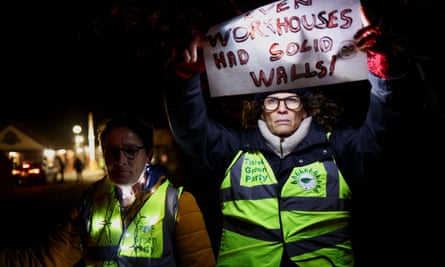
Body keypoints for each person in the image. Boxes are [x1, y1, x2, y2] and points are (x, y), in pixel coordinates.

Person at [163, 6, 427, 267]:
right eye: (271, 102)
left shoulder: (339, 149)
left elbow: (385, 129)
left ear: (306, 109)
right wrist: (184, 78)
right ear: (259, 111)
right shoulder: (232, 151)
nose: (281, 107)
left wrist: (385, 74)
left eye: (291, 100)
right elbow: (191, 127)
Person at [0, 113, 216, 267]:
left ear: (149, 155)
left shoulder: (178, 203)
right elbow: (51, 258)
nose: (120, 160)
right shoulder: (91, 200)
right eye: (111, 151)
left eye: (131, 151)